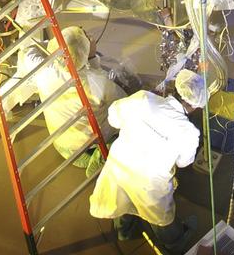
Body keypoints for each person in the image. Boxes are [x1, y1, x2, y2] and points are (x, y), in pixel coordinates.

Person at [89, 68, 205, 253]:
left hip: (120, 166)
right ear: (195, 105)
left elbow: (113, 118)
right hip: (149, 183)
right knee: (159, 217)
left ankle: (125, 232)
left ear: (175, 87)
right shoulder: (189, 133)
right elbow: (183, 162)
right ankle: (174, 241)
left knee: (121, 201)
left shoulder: (143, 98)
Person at [16, 26, 125, 175]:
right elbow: (123, 102)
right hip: (89, 146)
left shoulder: (43, 70)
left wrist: (57, 46)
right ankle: (103, 156)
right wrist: (92, 58)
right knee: (130, 123)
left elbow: (27, 50)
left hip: (63, 147)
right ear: (85, 52)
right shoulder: (96, 83)